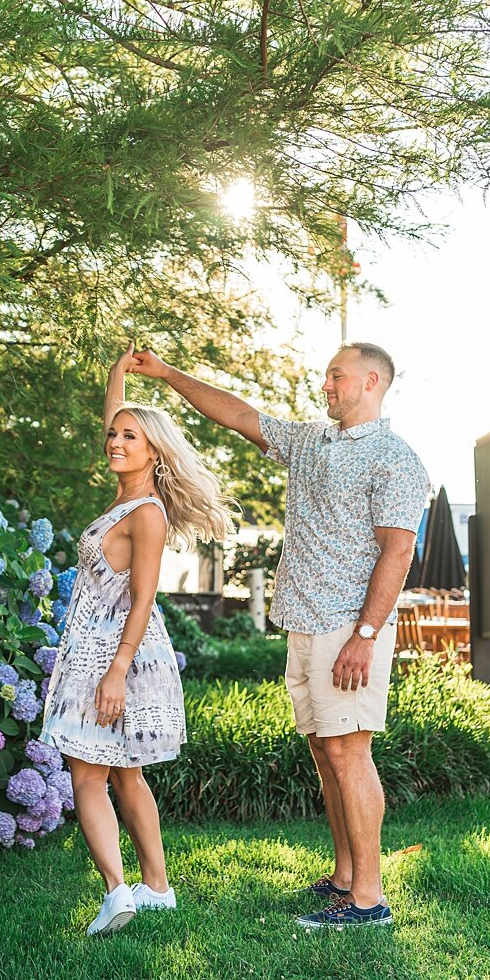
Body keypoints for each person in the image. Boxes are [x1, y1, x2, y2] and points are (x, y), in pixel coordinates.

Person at [130, 341, 428, 929]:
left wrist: (365, 635)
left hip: (350, 625)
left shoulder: (396, 459)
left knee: (350, 750)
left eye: (336, 375)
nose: (325, 385)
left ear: (371, 381)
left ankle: (369, 900)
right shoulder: (312, 442)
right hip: (305, 621)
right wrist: (166, 374)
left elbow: (399, 550)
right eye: (326, 375)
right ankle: (345, 877)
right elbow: (240, 416)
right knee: (325, 750)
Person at [39, 342, 236, 936]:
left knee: (87, 774)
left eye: (130, 438)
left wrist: (116, 671)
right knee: (124, 773)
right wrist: (118, 371)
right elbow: (116, 415)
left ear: (155, 451)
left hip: (115, 652)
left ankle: (116, 893)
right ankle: (157, 889)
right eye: (114, 436)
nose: (116, 442)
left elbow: (145, 596)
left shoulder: (146, 513)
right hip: (100, 648)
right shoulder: (124, 498)